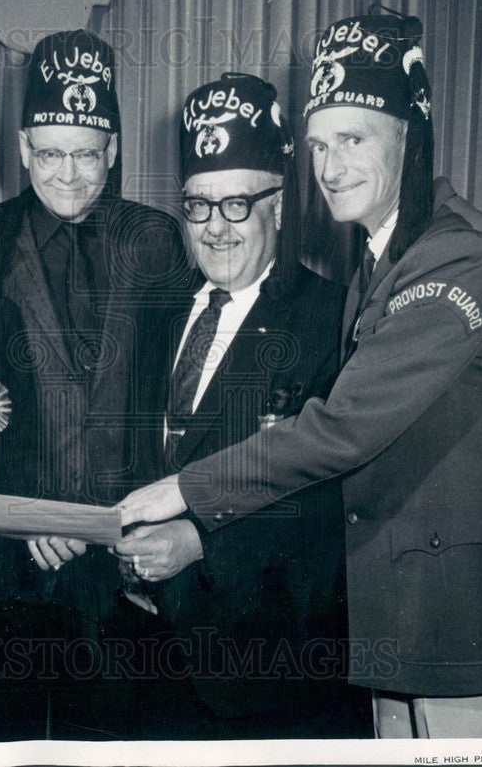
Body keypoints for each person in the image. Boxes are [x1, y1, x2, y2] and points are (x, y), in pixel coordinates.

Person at [118, 8, 482, 739]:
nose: (330, 168)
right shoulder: (381, 261)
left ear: (412, 134)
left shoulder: (458, 255)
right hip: (398, 626)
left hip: (475, 629)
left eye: (354, 139)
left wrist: (184, 490)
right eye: (320, 145)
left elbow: (342, 428)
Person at [0, 29, 188, 736]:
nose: (70, 174)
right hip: (2, 574)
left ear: (113, 151)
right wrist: (29, 516)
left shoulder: (159, 240)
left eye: (87, 152)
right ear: (21, 149)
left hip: (124, 573)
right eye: (50, 153)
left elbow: (182, 395)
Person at [109, 73, 369, 737]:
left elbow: (333, 502)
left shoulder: (335, 320)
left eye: (239, 205)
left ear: (280, 205)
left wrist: (197, 540)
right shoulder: (158, 314)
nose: (216, 228)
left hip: (268, 677)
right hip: (146, 662)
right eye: (199, 205)